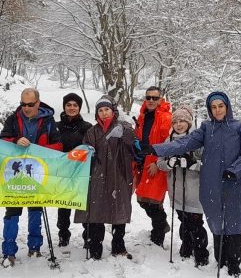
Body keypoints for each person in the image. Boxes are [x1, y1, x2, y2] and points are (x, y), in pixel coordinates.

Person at [139, 91, 241, 278]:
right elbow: (184, 143)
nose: (217, 110)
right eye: (214, 107)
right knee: (217, 222)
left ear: (227, 106)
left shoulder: (238, 127)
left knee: (233, 223)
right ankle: (221, 261)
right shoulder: (206, 128)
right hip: (211, 182)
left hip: (233, 181)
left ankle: (234, 264)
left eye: (221, 106)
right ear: (210, 110)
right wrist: (156, 149)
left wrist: (234, 170)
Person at [0, 88, 62, 265]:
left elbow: (58, 146)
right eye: (23, 104)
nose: (26, 108)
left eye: (30, 104)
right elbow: (1, 141)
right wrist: (15, 142)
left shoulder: (48, 121)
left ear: (38, 103)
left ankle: (35, 247)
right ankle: (9, 251)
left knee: (35, 209)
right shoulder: (12, 119)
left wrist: (38, 151)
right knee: (12, 210)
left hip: (37, 174)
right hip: (15, 173)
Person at [74, 95, 137, 260]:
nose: (104, 113)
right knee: (96, 210)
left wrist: (124, 132)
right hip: (97, 176)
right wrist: (88, 151)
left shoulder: (123, 125)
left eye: (106, 109)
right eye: (100, 110)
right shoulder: (92, 131)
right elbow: (85, 148)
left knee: (118, 209)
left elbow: (131, 139)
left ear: (113, 110)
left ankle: (119, 245)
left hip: (119, 175)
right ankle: (95, 247)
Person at [156, 105, 209, 267]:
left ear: (189, 122)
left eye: (182, 121)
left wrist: (194, 164)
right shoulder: (169, 140)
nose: (179, 124)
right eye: (176, 121)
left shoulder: (198, 140)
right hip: (176, 189)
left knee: (195, 222)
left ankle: (201, 252)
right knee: (183, 220)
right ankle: (186, 246)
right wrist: (170, 163)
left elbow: (208, 164)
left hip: (195, 190)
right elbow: (160, 163)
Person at [133, 86, 173, 247]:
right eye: (148, 97)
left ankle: (158, 237)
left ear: (160, 100)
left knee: (155, 201)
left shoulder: (166, 117)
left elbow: (170, 144)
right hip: (142, 162)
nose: (150, 100)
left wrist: (159, 163)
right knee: (142, 199)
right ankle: (161, 225)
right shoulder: (142, 116)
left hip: (157, 163)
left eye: (154, 98)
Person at [55, 92, 93, 247]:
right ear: (64, 106)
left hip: (80, 172)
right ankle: (63, 235)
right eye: (69, 105)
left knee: (83, 205)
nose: (72, 108)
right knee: (63, 205)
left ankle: (88, 236)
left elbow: (91, 148)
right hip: (62, 172)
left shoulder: (87, 127)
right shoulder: (56, 127)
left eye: (75, 105)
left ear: (79, 108)